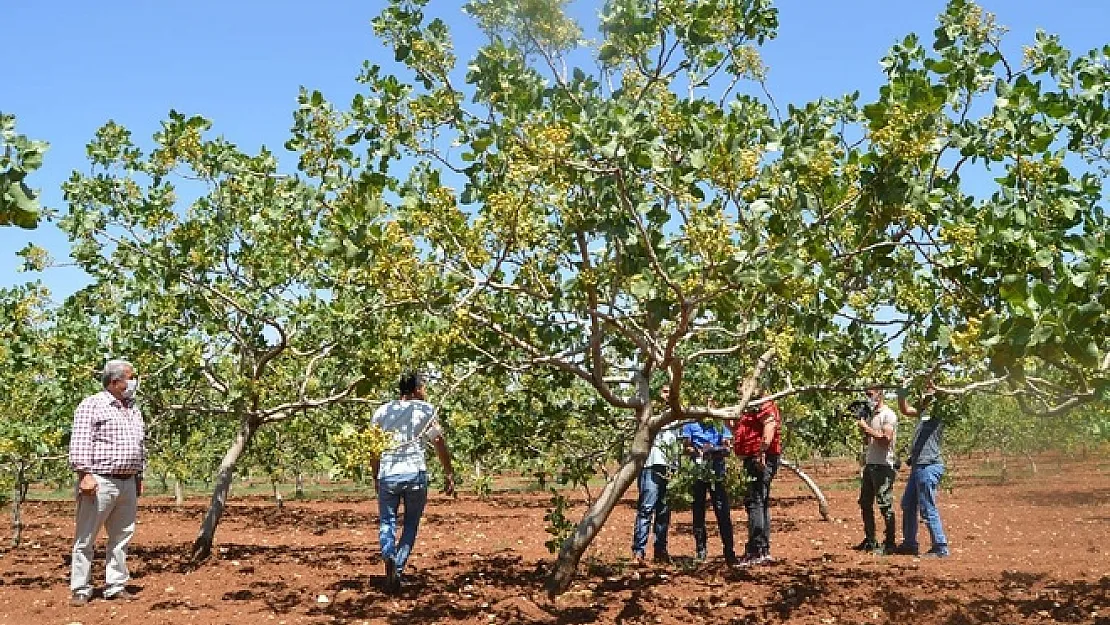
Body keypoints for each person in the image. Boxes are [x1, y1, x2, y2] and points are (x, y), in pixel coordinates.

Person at [68, 359, 146, 606]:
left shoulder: (133, 408)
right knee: (86, 537)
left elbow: (139, 444)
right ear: (114, 382)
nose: (133, 382)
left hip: (127, 482)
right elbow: (81, 441)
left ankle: (115, 585)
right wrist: (84, 475)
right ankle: (81, 587)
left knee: (121, 537)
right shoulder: (92, 405)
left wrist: (138, 475)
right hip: (100, 480)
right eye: (130, 378)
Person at [371, 372, 456, 593]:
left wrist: (375, 475)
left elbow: (373, 448)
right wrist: (448, 472)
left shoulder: (382, 411)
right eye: (424, 387)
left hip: (388, 475)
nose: (425, 391)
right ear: (416, 389)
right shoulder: (426, 410)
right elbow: (438, 441)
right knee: (410, 524)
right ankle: (397, 568)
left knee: (387, 521)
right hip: (414, 474)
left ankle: (388, 555)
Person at [727, 384, 782, 566]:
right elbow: (736, 429)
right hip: (753, 458)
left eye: (743, 387)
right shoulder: (749, 408)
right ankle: (762, 549)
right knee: (760, 502)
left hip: (760, 459)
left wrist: (761, 452)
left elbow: (770, 426)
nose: (739, 390)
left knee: (755, 502)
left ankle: (756, 550)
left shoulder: (762, 404)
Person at [894, 382, 949, 558]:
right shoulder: (922, 413)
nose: (924, 394)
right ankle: (910, 543)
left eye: (928, 392)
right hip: (918, 466)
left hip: (929, 466)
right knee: (908, 504)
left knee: (927, 507)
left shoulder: (938, 415)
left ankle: (940, 546)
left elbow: (939, 397)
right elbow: (905, 409)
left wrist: (934, 388)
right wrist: (901, 393)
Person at [682, 403, 738, 565]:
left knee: (722, 511)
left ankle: (729, 551)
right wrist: (698, 451)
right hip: (698, 472)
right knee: (698, 512)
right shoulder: (690, 422)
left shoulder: (719, 423)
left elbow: (728, 448)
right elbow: (686, 447)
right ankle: (701, 550)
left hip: (717, 472)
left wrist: (715, 450)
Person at [631, 386, 680, 566]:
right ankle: (639, 551)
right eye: (665, 391)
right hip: (651, 465)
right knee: (646, 508)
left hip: (670, 467)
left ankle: (660, 550)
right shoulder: (649, 413)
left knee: (664, 511)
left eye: (670, 391)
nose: (668, 395)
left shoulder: (678, 413)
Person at [853, 386, 898, 554]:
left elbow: (886, 440)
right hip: (871, 464)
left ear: (880, 394)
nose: (868, 397)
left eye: (870, 394)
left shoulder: (888, 415)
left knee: (885, 504)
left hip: (883, 465)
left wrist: (866, 427)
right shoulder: (872, 415)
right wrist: (864, 428)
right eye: (866, 394)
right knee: (865, 503)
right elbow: (868, 441)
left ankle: (890, 543)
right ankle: (871, 540)